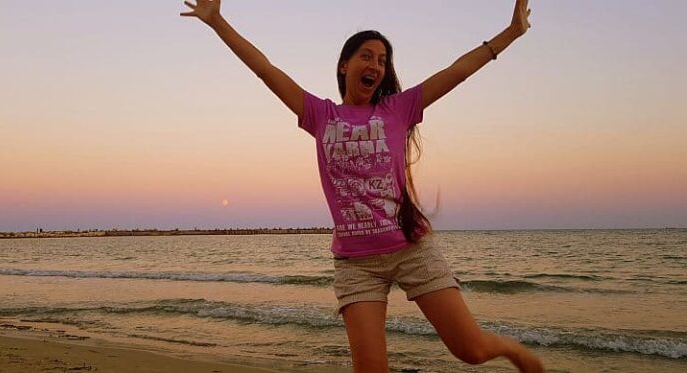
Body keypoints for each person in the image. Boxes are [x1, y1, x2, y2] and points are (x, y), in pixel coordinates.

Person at [180, 1, 544, 372]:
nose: (375, 65)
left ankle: (510, 349)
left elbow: (458, 71)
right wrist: (217, 22)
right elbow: (264, 69)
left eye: (382, 60)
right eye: (366, 56)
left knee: (471, 351)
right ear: (345, 65)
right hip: (356, 265)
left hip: (411, 249)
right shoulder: (320, 115)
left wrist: (511, 33)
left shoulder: (398, 109)